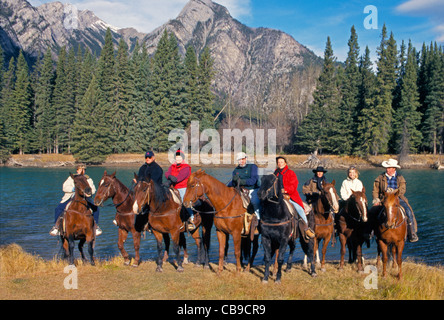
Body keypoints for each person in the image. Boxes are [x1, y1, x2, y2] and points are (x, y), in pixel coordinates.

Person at [372, 158, 418, 242]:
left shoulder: (400, 177)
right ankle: (370, 232)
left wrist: (393, 193)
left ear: (394, 169)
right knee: (372, 211)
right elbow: (375, 190)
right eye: (387, 167)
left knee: (408, 211)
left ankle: (412, 232)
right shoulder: (380, 177)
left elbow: (402, 190)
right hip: (384, 199)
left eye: (390, 168)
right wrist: (376, 199)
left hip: (397, 198)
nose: (388, 169)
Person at [50, 164, 101, 236]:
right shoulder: (71, 178)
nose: (82, 171)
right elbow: (64, 187)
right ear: (77, 170)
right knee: (59, 208)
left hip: (85, 198)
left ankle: (95, 226)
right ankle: (56, 227)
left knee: (96, 209)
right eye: (80, 169)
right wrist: (72, 189)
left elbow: (93, 189)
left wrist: (88, 192)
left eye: (84, 170)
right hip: (71, 197)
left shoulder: (88, 179)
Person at [274, 156, 315, 239]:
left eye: (281, 162)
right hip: (277, 196)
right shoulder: (275, 173)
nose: (280, 164)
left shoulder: (290, 173)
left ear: (285, 163)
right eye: (278, 162)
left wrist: (284, 190)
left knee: (299, 209)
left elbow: (294, 186)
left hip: (290, 196)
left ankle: (306, 228)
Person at [165, 149, 195, 230]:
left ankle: (192, 218)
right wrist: (169, 177)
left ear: (182, 159)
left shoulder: (186, 167)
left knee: (184, 201)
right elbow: (167, 173)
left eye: (179, 158)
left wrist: (171, 179)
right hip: (173, 187)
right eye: (177, 157)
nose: (178, 159)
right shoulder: (172, 166)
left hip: (182, 187)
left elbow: (179, 178)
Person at [227, 152, 261, 219]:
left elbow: (253, 181)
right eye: (239, 160)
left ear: (246, 158)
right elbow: (233, 183)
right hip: (240, 190)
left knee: (255, 202)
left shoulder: (253, 166)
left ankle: (259, 219)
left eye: (242, 159)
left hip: (252, 189)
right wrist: (228, 185)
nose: (241, 161)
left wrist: (241, 181)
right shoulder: (236, 170)